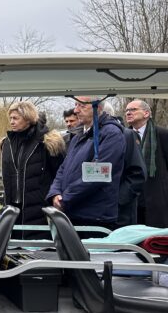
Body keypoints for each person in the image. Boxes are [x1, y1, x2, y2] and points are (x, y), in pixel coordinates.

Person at [47, 97, 126, 229]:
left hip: (94, 217)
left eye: (82, 106)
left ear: (98, 108)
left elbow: (98, 175)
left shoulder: (111, 134)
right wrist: (55, 193)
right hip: (73, 212)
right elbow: (63, 168)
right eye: (76, 105)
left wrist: (65, 199)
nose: (76, 110)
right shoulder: (78, 136)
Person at [0, 101, 65, 237]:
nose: (12, 122)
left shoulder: (48, 142)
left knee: (38, 251)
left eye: (16, 118)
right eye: (10, 118)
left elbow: (60, 173)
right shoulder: (6, 143)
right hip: (12, 209)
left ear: (28, 118)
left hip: (39, 209)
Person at [124, 99, 168, 228]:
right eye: (127, 110)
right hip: (133, 198)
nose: (128, 113)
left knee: (157, 242)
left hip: (157, 198)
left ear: (146, 113)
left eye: (133, 109)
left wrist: (165, 190)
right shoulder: (123, 136)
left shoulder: (162, 134)